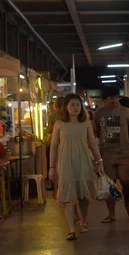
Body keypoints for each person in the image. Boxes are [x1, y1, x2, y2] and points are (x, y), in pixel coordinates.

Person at [49, 94, 104, 241]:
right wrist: (51, 167)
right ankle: (71, 229)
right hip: (65, 162)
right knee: (67, 196)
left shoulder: (85, 123)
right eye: (72, 105)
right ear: (66, 107)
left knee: (84, 195)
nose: (75, 107)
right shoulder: (59, 124)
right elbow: (53, 146)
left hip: (84, 161)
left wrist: (99, 161)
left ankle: (83, 220)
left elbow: (92, 144)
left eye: (78, 105)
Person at [93, 87, 129, 222]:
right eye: (111, 98)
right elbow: (96, 131)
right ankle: (111, 214)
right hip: (106, 154)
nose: (115, 100)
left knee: (127, 182)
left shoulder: (125, 112)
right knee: (109, 185)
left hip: (125, 153)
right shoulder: (99, 114)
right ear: (104, 100)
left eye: (116, 97)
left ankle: (127, 205)